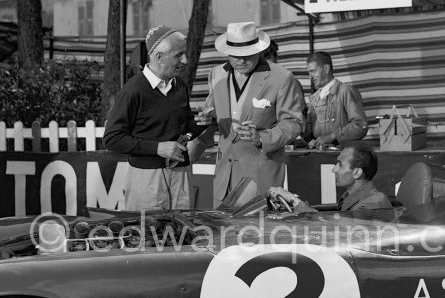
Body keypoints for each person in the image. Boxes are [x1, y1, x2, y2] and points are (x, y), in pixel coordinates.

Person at [194, 22, 304, 208]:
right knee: (223, 234)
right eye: (235, 55)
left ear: (259, 50)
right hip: (223, 179)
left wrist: (261, 138)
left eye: (247, 55)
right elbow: (213, 112)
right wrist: (207, 120)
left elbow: (294, 123)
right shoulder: (216, 74)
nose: (241, 61)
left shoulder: (281, 77)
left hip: (260, 179)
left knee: (258, 235)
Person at [103, 25, 203, 210]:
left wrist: (201, 123)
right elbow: (112, 139)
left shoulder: (179, 85)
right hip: (147, 180)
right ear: (159, 57)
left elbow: (185, 129)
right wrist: (157, 148)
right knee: (149, 236)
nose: (185, 60)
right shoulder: (133, 90)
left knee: (182, 236)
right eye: (178, 55)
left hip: (180, 176)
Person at [269, 142, 391, 212]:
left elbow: (336, 230)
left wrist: (293, 199)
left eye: (340, 165)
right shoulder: (352, 197)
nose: (334, 169)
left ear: (357, 173)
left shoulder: (374, 203)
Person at [303, 51, 368, 148]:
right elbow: (308, 134)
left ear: (326, 68)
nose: (310, 77)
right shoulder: (314, 99)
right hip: (318, 156)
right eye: (309, 72)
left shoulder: (345, 91)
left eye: (313, 71)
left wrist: (332, 136)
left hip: (343, 155)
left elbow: (360, 125)